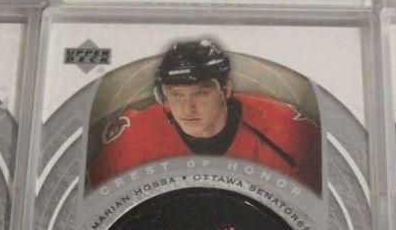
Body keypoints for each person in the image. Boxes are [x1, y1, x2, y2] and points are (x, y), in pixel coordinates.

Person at [88, 39, 321, 191]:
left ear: (225, 91)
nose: (188, 109)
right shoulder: (134, 139)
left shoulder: (285, 130)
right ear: (163, 96)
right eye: (176, 95)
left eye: (200, 94)